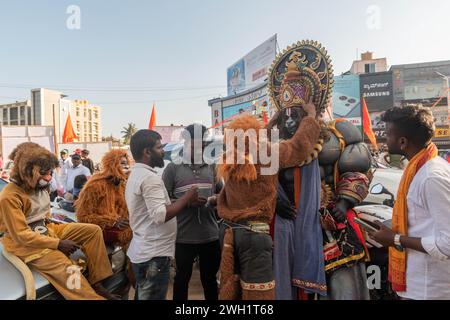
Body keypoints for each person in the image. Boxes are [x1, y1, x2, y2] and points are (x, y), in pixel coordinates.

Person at [269, 42, 371, 300]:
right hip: (287, 223)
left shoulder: (337, 133)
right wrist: (273, 200)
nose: (291, 119)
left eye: (298, 112)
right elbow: (259, 180)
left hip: (330, 220)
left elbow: (356, 168)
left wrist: (345, 202)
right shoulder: (270, 141)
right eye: (287, 113)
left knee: (342, 285)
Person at [217, 96, 320, 300]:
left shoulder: (229, 160)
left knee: (235, 290)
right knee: (258, 294)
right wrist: (311, 116)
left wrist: (271, 123)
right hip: (254, 238)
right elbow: (299, 146)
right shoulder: (267, 154)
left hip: (229, 232)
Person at [0, 142, 116, 300]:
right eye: (44, 173)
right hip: (25, 244)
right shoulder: (9, 196)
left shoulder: (40, 186)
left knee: (93, 231)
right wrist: (58, 244)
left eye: (50, 173)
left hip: (47, 229)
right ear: (26, 171)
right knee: (68, 267)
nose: (48, 178)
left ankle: (97, 282)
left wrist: (57, 231)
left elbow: (44, 216)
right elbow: (21, 234)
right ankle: (88, 296)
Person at [368, 105, 450, 300]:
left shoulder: (432, 177)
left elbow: (447, 244)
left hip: (429, 289)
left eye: (387, 135)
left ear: (403, 142)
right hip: (419, 285)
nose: (384, 140)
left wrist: (395, 239)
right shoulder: (419, 169)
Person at [125, 129, 202, 300]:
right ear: (147, 152)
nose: (163, 152)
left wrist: (184, 202)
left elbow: (153, 209)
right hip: (153, 257)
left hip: (147, 252)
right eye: (159, 148)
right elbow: (160, 215)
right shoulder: (149, 178)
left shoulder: (138, 174)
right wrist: (187, 197)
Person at [162, 124, 220, 301]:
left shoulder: (213, 167)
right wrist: (187, 202)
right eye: (193, 144)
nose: (198, 148)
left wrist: (214, 200)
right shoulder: (172, 168)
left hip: (210, 236)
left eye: (201, 143)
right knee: (181, 281)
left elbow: (221, 193)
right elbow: (163, 203)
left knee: (210, 281)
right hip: (182, 237)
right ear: (185, 142)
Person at [76, 149, 132, 247]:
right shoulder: (96, 185)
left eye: (127, 164)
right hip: (100, 230)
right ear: (112, 164)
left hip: (120, 228)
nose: (127, 166)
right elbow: (83, 217)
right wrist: (113, 221)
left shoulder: (122, 185)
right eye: (122, 163)